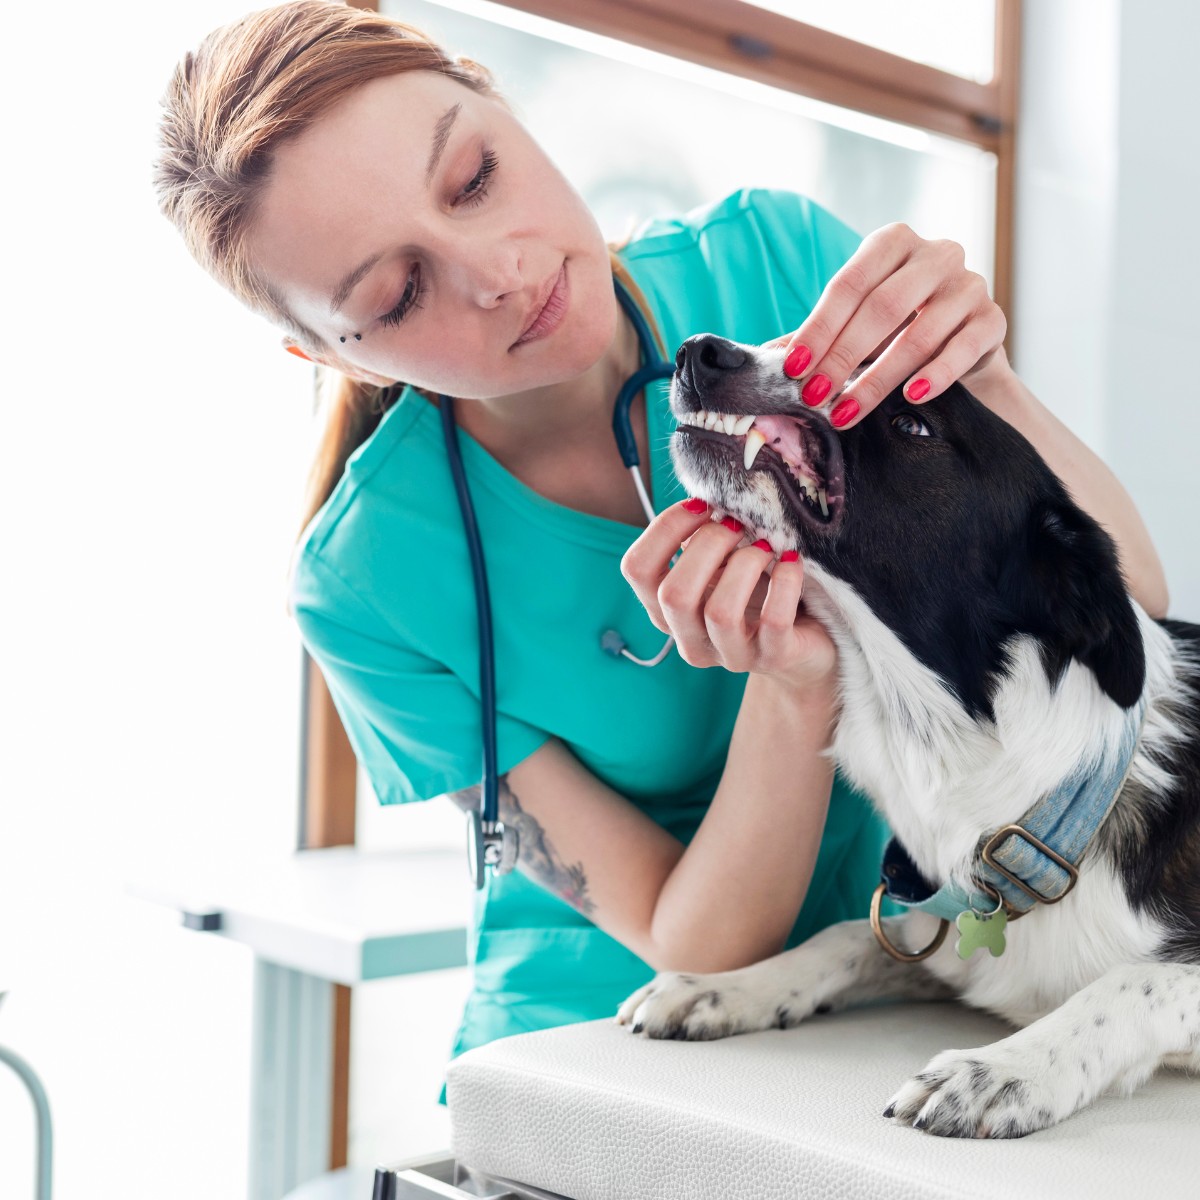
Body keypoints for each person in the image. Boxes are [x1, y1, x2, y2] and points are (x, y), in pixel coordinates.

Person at [153, 0, 1169, 1103]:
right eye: (397, 294)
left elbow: (1128, 624)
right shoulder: (369, 585)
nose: (495, 272)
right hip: (611, 1043)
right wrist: (791, 691)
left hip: (891, 997)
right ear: (321, 349)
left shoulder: (781, 265)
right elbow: (698, 941)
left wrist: (986, 380)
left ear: (499, 97)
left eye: (476, 177)